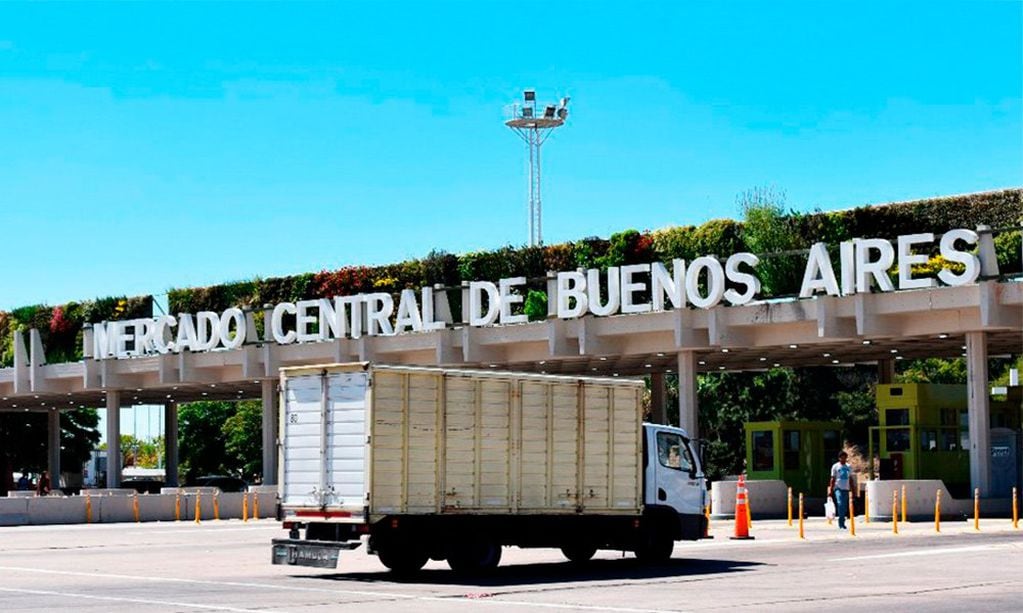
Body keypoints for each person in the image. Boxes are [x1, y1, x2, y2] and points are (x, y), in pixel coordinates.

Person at [828, 451, 855, 530]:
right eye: (841, 457)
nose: (843, 459)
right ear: (839, 458)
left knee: (844, 506)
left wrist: (853, 490)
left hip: (846, 488)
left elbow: (850, 479)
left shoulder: (848, 467)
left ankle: (843, 520)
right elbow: (832, 478)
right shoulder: (835, 466)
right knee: (840, 503)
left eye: (844, 457)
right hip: (838, 488)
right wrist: (831, 489)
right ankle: (841, 523)